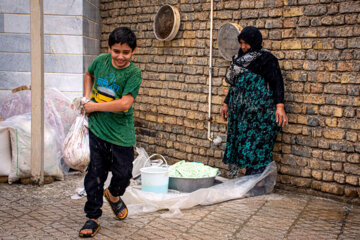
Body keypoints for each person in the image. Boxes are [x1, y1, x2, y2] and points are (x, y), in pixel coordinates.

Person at [79, 27, 142, 238]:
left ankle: (114, 196)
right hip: (97, 130)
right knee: (95, 175)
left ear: (133, 52)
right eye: (116, 51)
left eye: (126, 52)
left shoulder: (133, 73)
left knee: (123, 174)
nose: (121, 56)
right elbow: (89, 74)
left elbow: (125, 104)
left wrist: (94, 107)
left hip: (121, 134)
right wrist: (87, 97)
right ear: (109, 49)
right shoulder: (101, 61)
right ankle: (93, 217)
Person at [220, 26, 288, 179]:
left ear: (255, 42)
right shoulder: (239, 59)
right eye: (241, 43)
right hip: (241, 115)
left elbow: (277, 82)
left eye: (246, 43)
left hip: (260, 114)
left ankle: (258, 182)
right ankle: (248, 181)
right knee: (241, 144)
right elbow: (234, 85)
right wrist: (226, 103)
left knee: (257, 146)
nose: (243, 47)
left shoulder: (267, 59)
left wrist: (280, 106)